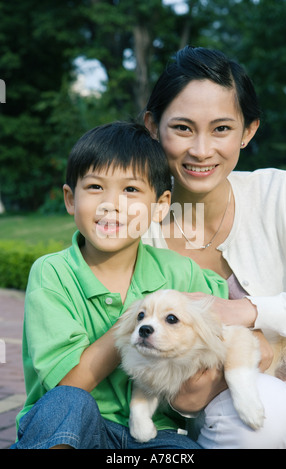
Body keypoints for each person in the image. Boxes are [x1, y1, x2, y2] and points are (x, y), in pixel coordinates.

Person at [11, 121, 228, 449]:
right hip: (76, 429)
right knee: (69, 402)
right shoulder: (53, 273)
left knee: (181, 451)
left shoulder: (179, 273)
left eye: (130, 190)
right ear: (71, 200)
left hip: (154, 431)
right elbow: (70, 383)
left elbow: (222, 324)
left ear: (159, 206)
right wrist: (135, 322)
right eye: (96, 187)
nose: (111, 204)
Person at [142, 45, 286, 449]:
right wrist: (186, 403)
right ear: (152, 127)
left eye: (221, 129)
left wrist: (249, 311)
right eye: (182, 128)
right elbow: (157, 375)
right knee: (264, 417)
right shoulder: (137, 233)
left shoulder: (280, 195)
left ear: (248, 131)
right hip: (228, 418)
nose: (200, 149)